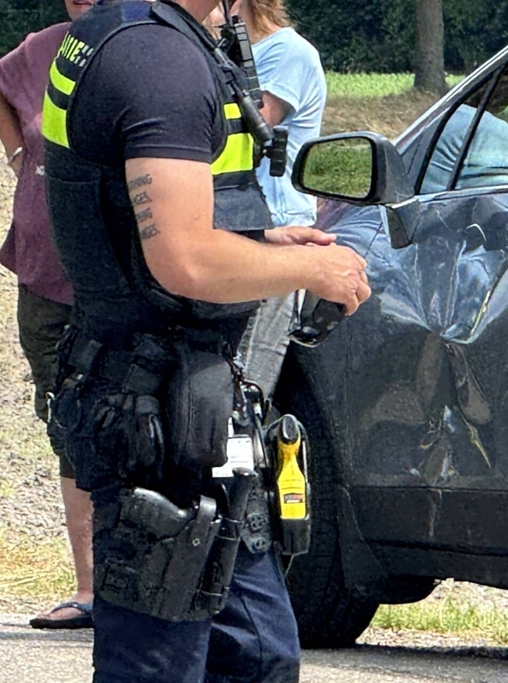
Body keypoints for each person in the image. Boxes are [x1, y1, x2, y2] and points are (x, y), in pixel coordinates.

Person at [41, 0, 370, 680]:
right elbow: (183, 259)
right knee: (160, 666)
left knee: (257, 654)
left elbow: (140, 214)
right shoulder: (157, 60)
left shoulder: (136, 34)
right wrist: (312, 267)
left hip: (191, 404)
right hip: (154, 418)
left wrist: (263, 242)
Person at [0, 0, 96, 630]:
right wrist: (17, 157)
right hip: (44, 273)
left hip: (116, 278)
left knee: (126, 422)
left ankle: (135, 583)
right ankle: (89, 588)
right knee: (64, 420)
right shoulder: (44, 47)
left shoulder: (145, 47)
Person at [209, 0, 327, 401]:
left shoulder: (290, 53)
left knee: (248, 375)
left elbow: (246, 123)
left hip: (277, 226)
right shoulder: (221, 52)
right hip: (233, 224)